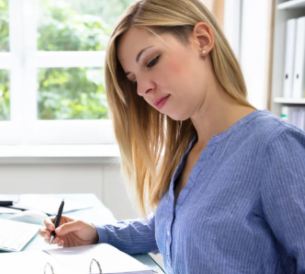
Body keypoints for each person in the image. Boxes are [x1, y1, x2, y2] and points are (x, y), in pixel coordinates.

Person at [38, 0, 305, 273]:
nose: (142, 89)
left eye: (151, 61)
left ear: (202, 39)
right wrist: (98, 234)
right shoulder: (188, 148)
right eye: (133, 79)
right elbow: (173, 225)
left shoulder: (275, 147)